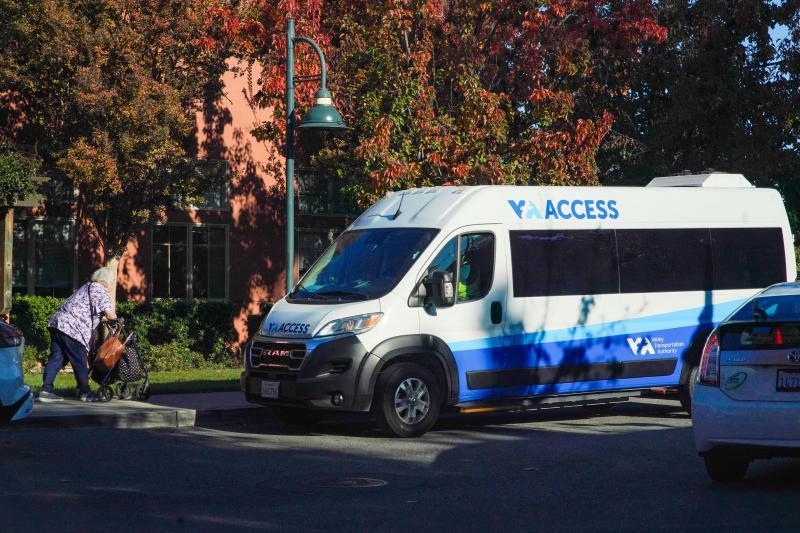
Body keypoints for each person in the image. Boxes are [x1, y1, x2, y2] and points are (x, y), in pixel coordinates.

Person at [37, 267, 117, 402]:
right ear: (108, 281)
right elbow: (110, 314)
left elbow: (86, 309)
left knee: (57, 357)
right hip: (73, 329)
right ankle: (85, 392)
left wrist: (102, 319)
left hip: (58, 323)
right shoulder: (101, 291)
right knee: (79, 360)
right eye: (113, 281)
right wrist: (117, 320)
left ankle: (46, 390)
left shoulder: (87, 287)